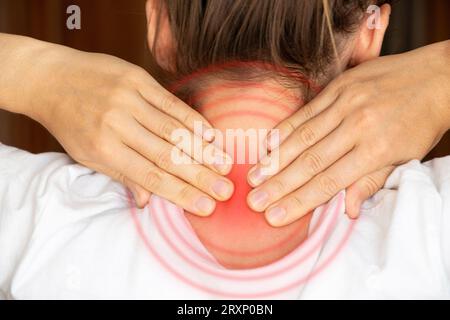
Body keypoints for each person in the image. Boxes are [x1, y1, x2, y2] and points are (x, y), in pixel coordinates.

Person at [0, 0, 449, 299]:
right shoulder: (430, 225)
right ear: (371, 35)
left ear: (158, 25)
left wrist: (34, 71)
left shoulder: (39, 215)